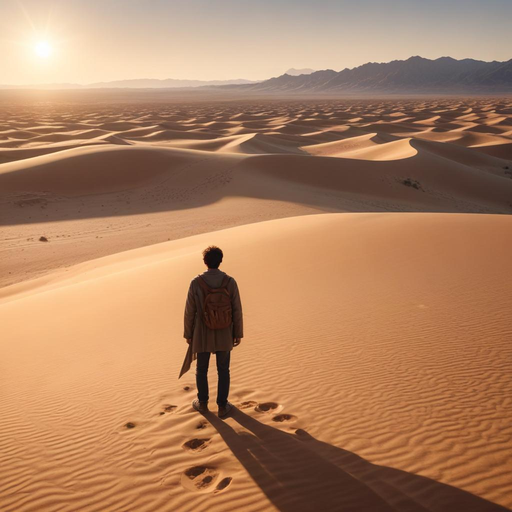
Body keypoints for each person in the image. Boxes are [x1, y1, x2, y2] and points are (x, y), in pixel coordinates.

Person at [183, 245, 243, 419]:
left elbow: (189, 311)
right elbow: (237, 309)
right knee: (223, 369)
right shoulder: (230, 282)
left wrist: (188, 334)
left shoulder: (196, 282)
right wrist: (238, 332)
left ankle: (202, 404)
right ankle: (223, 406)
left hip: (202, 333)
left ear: (205, 262)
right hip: (225, 332)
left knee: (201, 369)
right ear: (221, 260)